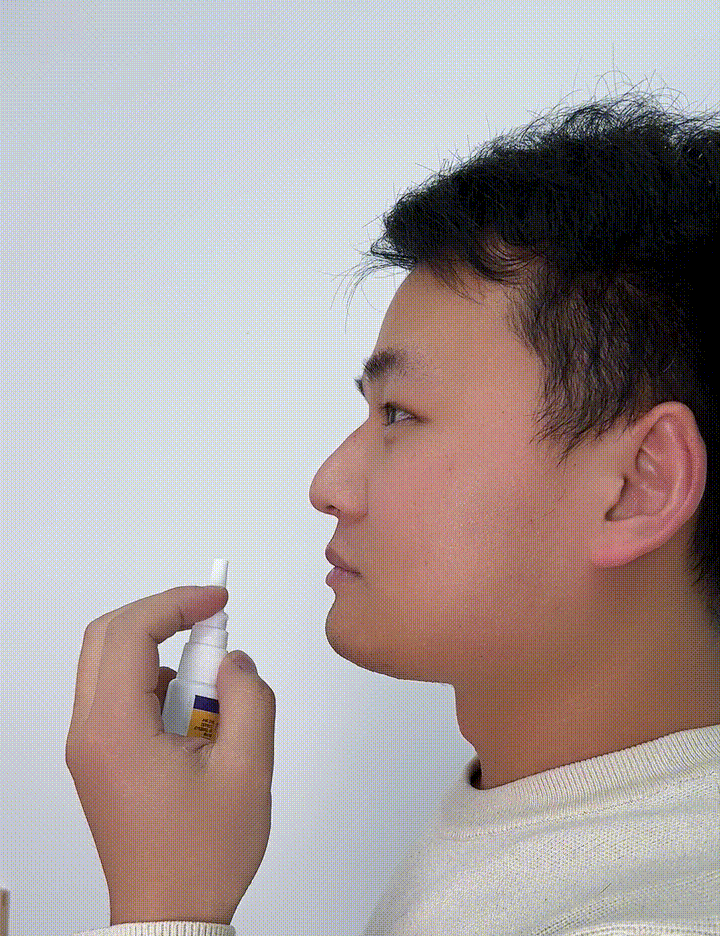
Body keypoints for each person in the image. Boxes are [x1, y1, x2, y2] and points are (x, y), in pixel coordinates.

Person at [67, 86, 720, 935]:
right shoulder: (552, 817)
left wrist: (166, 903)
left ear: (638, 486)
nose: (329, 485)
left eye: (400, 415)